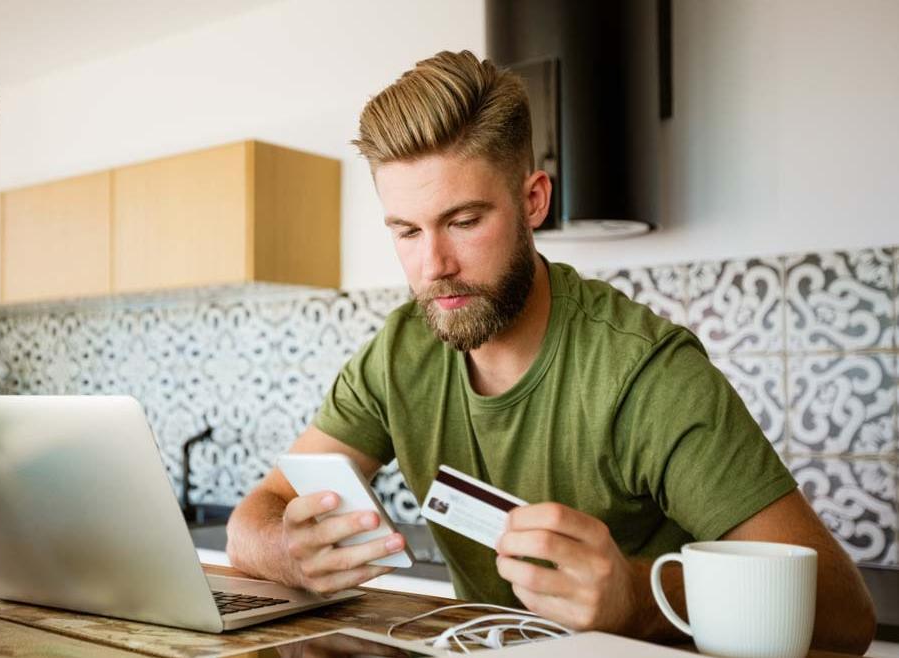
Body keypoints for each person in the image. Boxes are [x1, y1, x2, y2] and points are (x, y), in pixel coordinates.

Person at [225, 50, 875, 652]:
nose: (434, 266)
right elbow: (255, 515)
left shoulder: (646, 373)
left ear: (533, 200)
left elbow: (846, 615)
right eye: (406, 230)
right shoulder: (399, 352)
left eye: (464, 221)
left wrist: (639, 597)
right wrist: (285, 547)